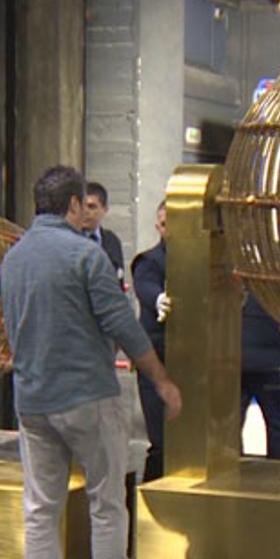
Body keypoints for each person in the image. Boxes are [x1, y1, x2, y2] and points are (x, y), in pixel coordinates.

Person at [0, 167, 181, 559]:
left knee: (40, 507)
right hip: (87, 398)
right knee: (105, 502)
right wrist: (160, 380)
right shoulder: (87, 255)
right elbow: (123, 324)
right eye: (85, 205)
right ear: (75, 206)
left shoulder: (12, 259)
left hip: (32, 400)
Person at [131, 200, 169, 482]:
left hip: (191, 363)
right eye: (164, 224)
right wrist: (159, 300)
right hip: (157, 359)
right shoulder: (150, 261)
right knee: (160, 443)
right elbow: (145, 286)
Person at [240, 291, 280, 460]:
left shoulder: (233, 284)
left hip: (235, 363)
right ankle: (279, 468)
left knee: (230, 424)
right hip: (272, 364)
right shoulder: (275, 286)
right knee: (276, 423)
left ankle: (229, 468)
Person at [82, 182, 127, 290]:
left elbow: (118, 275)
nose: (85, 212)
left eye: (91, 207)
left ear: (104, 209)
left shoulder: (112, 241)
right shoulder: (69, 238)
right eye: (82, 206)